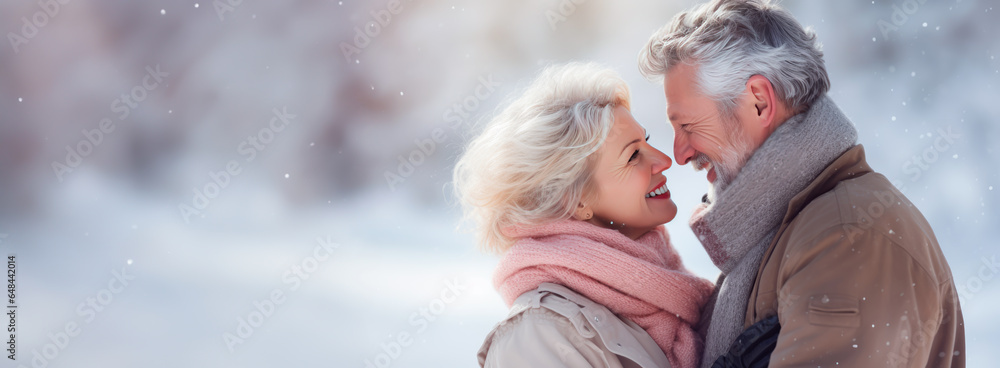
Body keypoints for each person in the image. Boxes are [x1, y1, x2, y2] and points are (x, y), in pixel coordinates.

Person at [636, 0, 965, 367]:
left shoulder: (849, 236)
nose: (679, 154)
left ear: (759, 102)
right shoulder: (785, 231)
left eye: (688, 126)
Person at [454, 62, 715, 368]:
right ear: (575, 200)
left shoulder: (672, 298)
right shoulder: (539, 337)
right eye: (633, 155)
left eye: (648, 142)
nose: (664, 161)